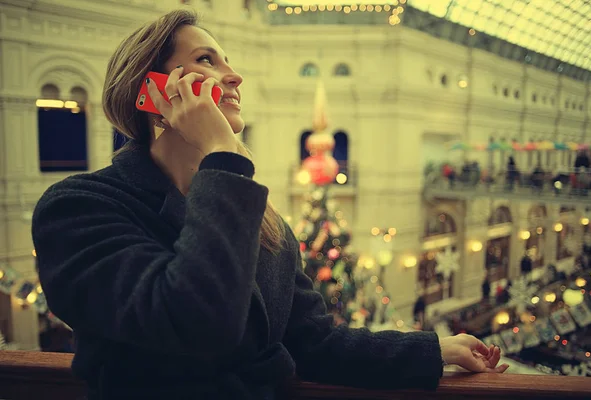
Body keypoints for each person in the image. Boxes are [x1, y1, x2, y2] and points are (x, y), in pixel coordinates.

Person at [31, 9, 507, 400]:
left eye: (228, 60)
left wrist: (431, 350)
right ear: (154, 93)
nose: (234, 75)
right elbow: (197, 322)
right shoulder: (78, 209)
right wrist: (223, 154)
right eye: (206, 59)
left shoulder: (263, 223)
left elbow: (314, 341)